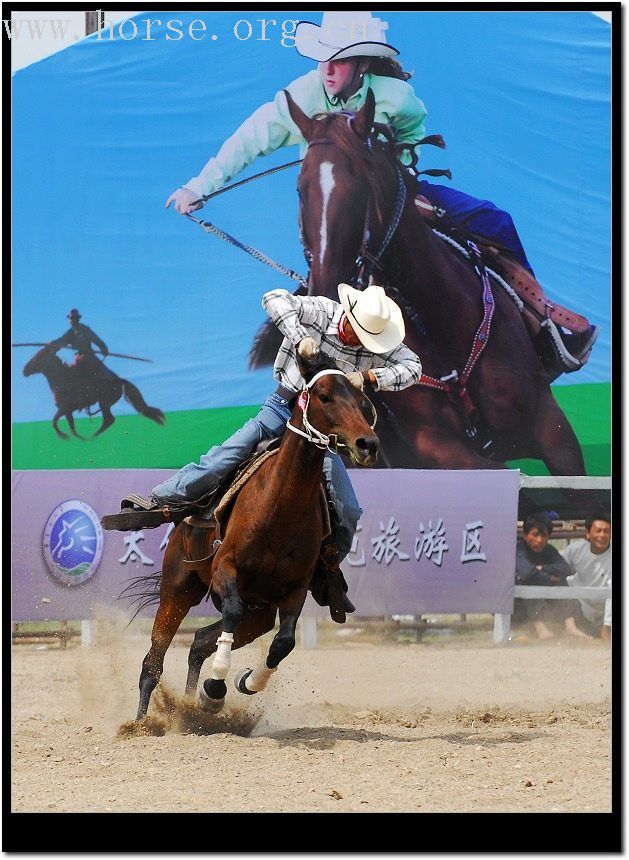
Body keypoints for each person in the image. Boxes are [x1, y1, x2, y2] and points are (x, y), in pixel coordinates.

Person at [165, 10, 597, 369]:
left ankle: (541, 322)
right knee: (322, 284)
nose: (328, 71)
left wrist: (403, 165)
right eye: (323, 61)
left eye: (340, 61)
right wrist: (197, 187)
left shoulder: (397, 97)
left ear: (364, 64)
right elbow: (248, 141)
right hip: (334, 210)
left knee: (494, 220)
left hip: (395, 196)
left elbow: (413, 134)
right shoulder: (298, 97)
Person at [119, 282, 423, 617]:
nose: (358, 340)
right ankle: (162, 499)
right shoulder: (324, 312)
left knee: (348, 508)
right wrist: (299, 335)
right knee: (229, 453)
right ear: (348, 316)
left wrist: (369, 377)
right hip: (283, 408)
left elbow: (414, 367)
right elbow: (274, 298)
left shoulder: (375, 346)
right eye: (356, 331)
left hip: (321, 434)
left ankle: (325, 571)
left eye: (367, 338)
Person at [514, 512, 588, 640]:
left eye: (544, 535)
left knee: (561, 581)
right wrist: (549, 578)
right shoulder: (518, 549)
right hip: (516, 604)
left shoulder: (549, 550)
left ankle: (570, 626)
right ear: (525, 535)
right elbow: (527, 573)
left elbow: (566, 569)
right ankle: (541, 629)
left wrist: (542, 568)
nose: (539, 540)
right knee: (528, 581)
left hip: (543, 602)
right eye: (535, 535)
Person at [560, 512, 612, 641]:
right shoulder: (575, 550)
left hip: (607, 612)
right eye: (598, 531)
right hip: (580, 609)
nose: (602, 535)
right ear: (588, 533)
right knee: (561, 582)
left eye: (606, 531)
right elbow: (557, 565)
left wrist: (607, 626)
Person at [48, 309, 117, 384]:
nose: (73, 320)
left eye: (74, 318)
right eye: (71, 319)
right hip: (78, 358)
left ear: (78, 319)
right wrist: (52, 346)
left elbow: (95, 339)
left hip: (89, 356)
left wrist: (103, 347)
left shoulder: (84, 329)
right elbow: (62, 341)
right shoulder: (70, 333)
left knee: (103, 370)